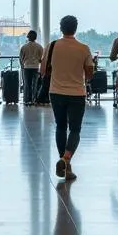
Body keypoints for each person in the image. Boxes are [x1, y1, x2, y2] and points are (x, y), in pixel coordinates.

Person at [42, 15, 94, 182]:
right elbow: (90, 74)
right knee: (75, 129)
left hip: (56, 92)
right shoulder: (84, 48)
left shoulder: (52, 46)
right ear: (76, 28)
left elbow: (43, 71)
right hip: (77, 93)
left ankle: (64, 163)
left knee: (61, 127)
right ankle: (65, 160)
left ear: (61, 27)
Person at [19, 30, 44, 105]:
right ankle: (34, 100)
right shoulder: (39, 47)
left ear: (28, 37)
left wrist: (22, 66)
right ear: (35, 37)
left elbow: (21, 58)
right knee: (35, 84)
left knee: (27, 84)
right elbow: (41, 59)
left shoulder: (24, 47)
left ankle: (27, 100)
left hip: (26, 67)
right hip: (35, 67)